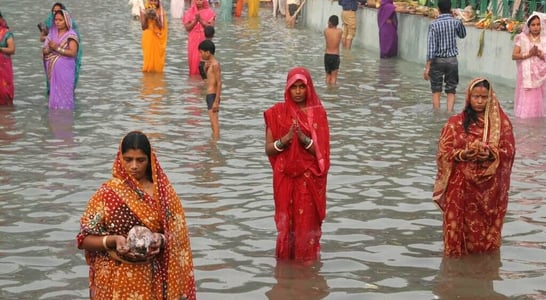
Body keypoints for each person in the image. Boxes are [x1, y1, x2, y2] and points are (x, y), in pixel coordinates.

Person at [76, 131, 196, 300]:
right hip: (114, 281)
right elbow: (84, 239)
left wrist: (160, 239)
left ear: (150, 160)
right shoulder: (107, 193)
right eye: (128, 159)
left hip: (152, 280)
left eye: (140, 160)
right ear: (120, 158)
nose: (134, 166)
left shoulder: (163, 194)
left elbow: (178, 237)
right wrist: (113, 240)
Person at [433, 78, 516, 257]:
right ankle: (455, 275)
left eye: (484, 97)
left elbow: (509, 151)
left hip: (488, 192)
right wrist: (464, 154)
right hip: (460, 188)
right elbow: (443, 153)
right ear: (468, 97)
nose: (479, 101)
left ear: (490, 98)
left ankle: (483, 274)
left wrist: (491, 154)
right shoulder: (455, 123)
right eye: (476, 97)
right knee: (456, 241)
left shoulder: (501, 124)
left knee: (485, 243)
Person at [263, 67, 331, 261]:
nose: (299, 92)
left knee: (305, 227)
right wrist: (285, 140)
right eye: (294, 87)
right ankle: (285, 269)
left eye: (302, 87)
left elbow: (322, 154)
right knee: (286, 226)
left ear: (309, 88)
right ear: (288, 88)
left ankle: (306, 266)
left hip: (308, 180)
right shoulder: (277, 113)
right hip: (285, 178)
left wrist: (303, 139)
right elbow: (268, 149)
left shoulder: (318, 114)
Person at [423, 0, 466, 113]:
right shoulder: (455, 22)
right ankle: (449, 113)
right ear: (450, 8)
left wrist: (427, 67)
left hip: (437, 60)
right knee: (451, 89)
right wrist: (458, 18)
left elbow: (431, 47)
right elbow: (462, 35)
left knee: (436, 89)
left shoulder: (433, 25)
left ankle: (437, 114)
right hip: (452, 60)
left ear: (438, 9)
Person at [39, 3, 82, 96]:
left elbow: (74, 47)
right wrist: (49, 46)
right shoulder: (49, 23)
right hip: (52, 67)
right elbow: (43, 42)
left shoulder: (71, 29)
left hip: (66, 63)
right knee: (53, 96)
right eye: (53, 11)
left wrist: (57, 48)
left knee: (65, 94)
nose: (57, 21)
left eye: (60, 20)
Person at [512, 12, 546, 118]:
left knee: (539, 104)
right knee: (526, 103)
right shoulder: (522, 38)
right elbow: (514, 55)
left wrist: (541, 55)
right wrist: (529, 54)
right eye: (533, 25)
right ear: (529, 26)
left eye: (538, 24)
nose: (536, 27)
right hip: (526, 77)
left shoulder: (545, 39)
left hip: (541, 77)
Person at [183, 0, 216, 76]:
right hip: (193, 40)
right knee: (193, 62)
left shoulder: (209, 12)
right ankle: (194, 82)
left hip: (204, 40)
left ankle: (204, 81)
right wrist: (195, 21)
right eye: (196, 0)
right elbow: (187, 28)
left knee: (205, 62)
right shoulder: (189, 12)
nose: (198, 2)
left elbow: (211, 28)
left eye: (200, 0)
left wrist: (200, 20)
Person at [199, 39, 222, 139]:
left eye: (201, 52)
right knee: (212, 124)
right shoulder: (209, 65)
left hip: (213, 96)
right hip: (209, 96)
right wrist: (204, 69)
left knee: (215, 125)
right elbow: (206, 79)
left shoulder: (215, 65)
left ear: (208, 52)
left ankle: (215, 147)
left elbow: (219, 82)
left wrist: (216, 101)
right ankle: (214, 143)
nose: (201, 55)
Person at [140, 0, 168, 72]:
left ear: (159, 2)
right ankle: (148, 77)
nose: (153, 3)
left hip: (157, 38)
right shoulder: (143, 10)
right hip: (148, 37)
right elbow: (143, 27)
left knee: (157, 60)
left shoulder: (161, 11)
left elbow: (161, 27)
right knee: (148, 58)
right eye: (151, 1)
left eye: (155, 1)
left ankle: (157, 76)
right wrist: (146, 16)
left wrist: (156, 18)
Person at [0, 11, 15, 106]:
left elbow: (12, 49)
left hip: (3, 69)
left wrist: (0, 49)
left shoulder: (6, 33)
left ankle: (7, 116)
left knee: (4, 92)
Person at [324, 15, 342, 86]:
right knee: (334, 78)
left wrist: (329, 25)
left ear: (329, 22)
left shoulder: (326, 31)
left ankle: (327, 91)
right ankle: (333, 93)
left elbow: (328, 29)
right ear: (337, 23)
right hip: (335, 56)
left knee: (328, 76)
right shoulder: (340, 31)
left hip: (327, 55)